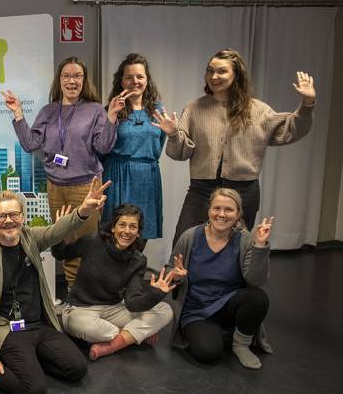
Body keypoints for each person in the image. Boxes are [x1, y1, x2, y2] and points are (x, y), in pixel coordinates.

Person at [0, 178, 109, 394]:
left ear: (22, 216)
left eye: (13, 214)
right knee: (33, 388)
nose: (8, 221)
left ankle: (30, 361)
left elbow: (56, 231)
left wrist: (83, 211)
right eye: (2, 216)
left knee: (77, 368)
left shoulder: (29, 237)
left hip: (38, 325)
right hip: (8, 330)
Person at [154, 48, 316, 244]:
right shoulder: (194, 109)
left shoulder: (258, 110)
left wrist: (307, 104)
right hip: (202, 189)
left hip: (244, 191)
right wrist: (172, 134)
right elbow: (179, 153)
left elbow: (291, 129)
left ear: (236, 75)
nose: (214, 76)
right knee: (184, 242)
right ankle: (180, 276)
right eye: (210, 70)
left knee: (237, 248)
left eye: (221, 71)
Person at [2, 56, 125, 285]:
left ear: (84, 80)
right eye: (66, 76)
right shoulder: (48, 111)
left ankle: (89, 294)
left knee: (87, 243)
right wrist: (18, 114)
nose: (71, 81)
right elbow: (30, 144)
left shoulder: (95, 110)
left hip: (86, 186)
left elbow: (103, 146)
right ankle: (72, 293)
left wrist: (111, 117)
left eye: (77, 76)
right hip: (56, 187)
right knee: (66, 242)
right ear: (59, 81)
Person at [166, 188, 274, 369]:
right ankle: (221, 334)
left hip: (229, 304)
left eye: (229, 210)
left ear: (238, 213)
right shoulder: (190, 236)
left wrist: (260, 246)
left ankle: (241, 344)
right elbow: (170, 270)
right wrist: (175, 275)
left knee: (258, 297)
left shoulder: (245, 239)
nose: (222, 214)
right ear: (209, 210)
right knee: (208, 353)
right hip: (197, 310)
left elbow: (256, 281)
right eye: (217, 208)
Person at [52, 204, 174, 361]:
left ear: (138, 233)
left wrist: (157, 292)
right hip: (80, 310)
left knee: (165, 310)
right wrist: (61, 230)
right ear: (113, 228)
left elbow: (133, 304)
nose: (127, 231)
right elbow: (60, 253)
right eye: (122, 225)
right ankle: (133, 336)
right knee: (82, 324)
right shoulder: (92, 241)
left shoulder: (138, 260)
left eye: (133, 227)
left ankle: (113, 345)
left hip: (114, 309)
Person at [101, 53, 166, 239]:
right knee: (115, 234)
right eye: (129, 77)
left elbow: (159, 145)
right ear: (121, 81)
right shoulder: (110, 109)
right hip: (117, 176)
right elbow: (101, 148)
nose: (134, 81)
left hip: (147, 177)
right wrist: (110, 117)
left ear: (147, 80)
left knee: (141, 234)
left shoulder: (157, 110)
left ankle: (135, 269)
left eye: (139, 76)